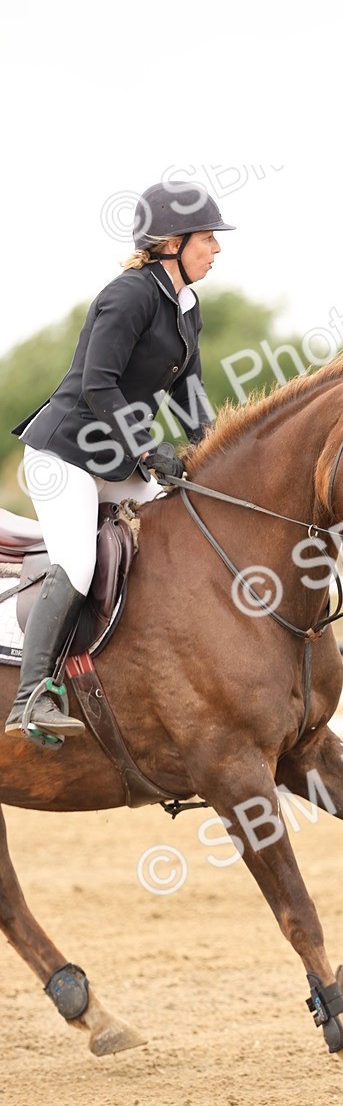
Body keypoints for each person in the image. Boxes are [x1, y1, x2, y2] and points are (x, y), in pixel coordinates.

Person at [5, 181, 235, 741]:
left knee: (181, 526)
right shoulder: (129, 295)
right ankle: (31, 696)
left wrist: (213, 453)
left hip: (112, 462)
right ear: (173, 243)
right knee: (78, 562)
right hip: (64, 457)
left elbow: (189, 393)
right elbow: (98, 384)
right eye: (207, 238)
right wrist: (144, 447)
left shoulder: (185, 305)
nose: (217, 248)